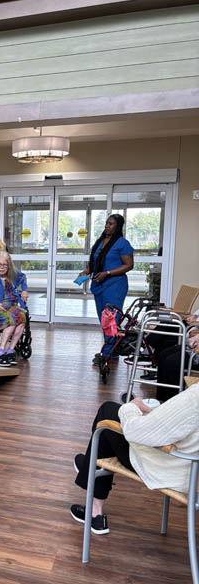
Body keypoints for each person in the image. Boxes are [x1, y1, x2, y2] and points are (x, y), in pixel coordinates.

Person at [70, 383, 199, 534]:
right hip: (189, 471)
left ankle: (89, 473)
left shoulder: (194, 397)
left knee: (108, 411)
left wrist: (132, 406)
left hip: (168, 471)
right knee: (110, 430)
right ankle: (91, 480)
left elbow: (135, 431)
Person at [78, 214, 134, 364]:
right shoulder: (101, 242)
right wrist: (86, 271)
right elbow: (96, 262)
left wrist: (108, 273)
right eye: (106, 223)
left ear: (118, 227)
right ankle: (113, 350)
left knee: (111, 319)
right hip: (99, 285)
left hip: (115, 285)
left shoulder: (122, 243)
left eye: (111, 224)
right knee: (103, 320)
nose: (107, 226)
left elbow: (129, 265)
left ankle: (107, 353)